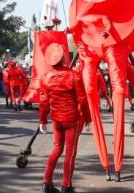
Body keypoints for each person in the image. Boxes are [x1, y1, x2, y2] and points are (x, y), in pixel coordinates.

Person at [38, 44, 87, 193]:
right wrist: (89, 119)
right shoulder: (74, 75)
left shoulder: (45, 77)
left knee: (57, 149)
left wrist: (42, 121)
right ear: (63, 57)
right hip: (71, 119)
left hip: (56, 120)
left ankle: (47, 182)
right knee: (70, 153)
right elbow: (82, 100)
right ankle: (66, 185)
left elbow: (43, 103)